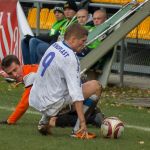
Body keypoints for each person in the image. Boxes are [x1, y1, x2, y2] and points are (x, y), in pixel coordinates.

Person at [29, 23, 102, 139]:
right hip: (52, 104)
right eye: (82, 41)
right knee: (96, 86)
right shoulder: (71, 58)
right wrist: (83, 121)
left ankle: (45, 120)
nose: (84, 44)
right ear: (73, 39)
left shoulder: (55, 45)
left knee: (70, 83)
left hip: (36, 98)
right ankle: (78, 129)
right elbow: (76, 94)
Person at [0, 55, 103, 129]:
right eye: (11, 73)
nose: (15, 74)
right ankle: (92, 111)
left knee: (53, 121)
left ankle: (93, 118)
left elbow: (24, 103)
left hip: (70, 93)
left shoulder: (30, 75)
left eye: (15, 70)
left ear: (20, 65)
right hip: (69, 90)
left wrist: (11, 120)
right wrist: (8, 76)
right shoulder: (28, 69)